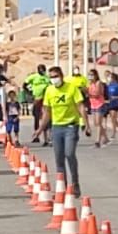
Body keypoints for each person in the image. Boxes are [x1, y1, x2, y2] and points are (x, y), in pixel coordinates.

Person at [41, 63, 87, 194]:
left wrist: (86, 124)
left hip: (71, 126)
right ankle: (64, 187)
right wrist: (40, 129)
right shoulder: (49, 90)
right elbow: (47, 111)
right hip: (56, 127)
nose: (53, 79)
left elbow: (80, 106)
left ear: (61, 76)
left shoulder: (72, 88)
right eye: (51, 77)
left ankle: (75, 182)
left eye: (55, 76)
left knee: (69, 153)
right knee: (59, 158)